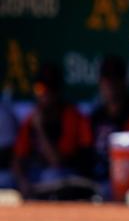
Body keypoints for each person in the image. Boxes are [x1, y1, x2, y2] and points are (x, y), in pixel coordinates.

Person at [12, 63, 93, 199]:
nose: (44, 95)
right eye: (40, 89)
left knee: (51, 175)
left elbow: (57, 161)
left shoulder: (70, 116)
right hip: (37, 175)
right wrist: (22, 182)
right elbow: (17, 159)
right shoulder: (33, 116)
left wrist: (40, 129)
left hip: (70, 177)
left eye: (49, 89)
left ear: (57, 91)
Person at [89, 57, 129, 185]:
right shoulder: (97, 115)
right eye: (107, 79)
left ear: (124, 82)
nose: (110, 84)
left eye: (115, 79)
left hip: (122, 179)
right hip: (95, 178)